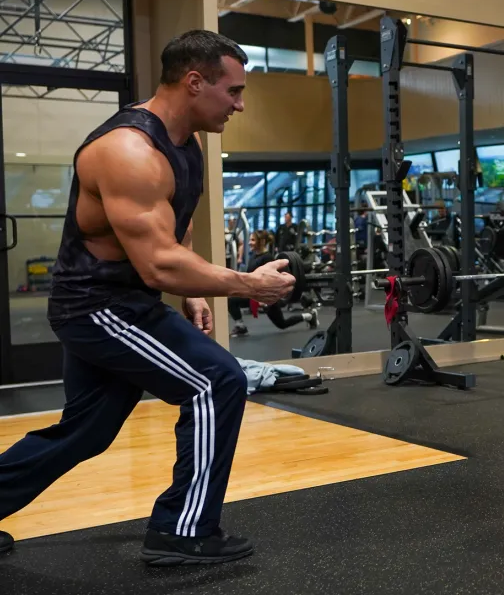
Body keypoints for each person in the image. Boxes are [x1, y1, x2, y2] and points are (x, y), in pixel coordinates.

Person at [0, 30, 295, 564]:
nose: (240, 104)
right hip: (98, 307)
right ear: (194, 81)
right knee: (216, 381)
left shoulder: (188, 141)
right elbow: (158, 262)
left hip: (125, 303)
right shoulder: (127, 151)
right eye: (233, 92)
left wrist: (192, 293)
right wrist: (247, 284)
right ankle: (184, 531)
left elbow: (173, 225)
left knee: (86, 431)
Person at [229, 230, 319, 337]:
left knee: (282, 324)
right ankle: (241, 326)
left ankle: (309, 316)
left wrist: (264, 300)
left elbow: (271, 279)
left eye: (253, 240)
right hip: (254, 295)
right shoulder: (253, 257)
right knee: (232, 301)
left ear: (262, 241)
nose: (249, 243)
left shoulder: (268, 258)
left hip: (267, 296)